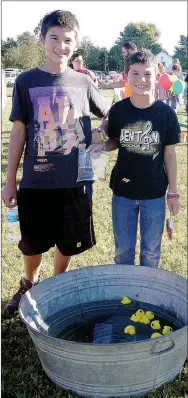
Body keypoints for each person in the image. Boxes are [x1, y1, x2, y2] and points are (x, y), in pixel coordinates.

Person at [2, 9, 110, 317]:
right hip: (36, 181)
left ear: (76, 43)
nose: (61, 46)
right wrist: (10, 180)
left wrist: (104, 136)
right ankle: (29, 282)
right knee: (32, 243)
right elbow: (20, 131)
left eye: (67, 40)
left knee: (67, 242)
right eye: (54, 39)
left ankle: (56, 286)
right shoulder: (26, 81)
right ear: (42, 38)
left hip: (75, 183)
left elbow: (108, 114)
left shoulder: (84, 82)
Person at [89, 50, 180, 268]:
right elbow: (114, 140)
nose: (141, 80)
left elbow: (169, 154)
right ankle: (125, 297)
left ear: (157, 76)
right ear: (126, 76)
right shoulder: (118, 110)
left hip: (155, 194)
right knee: (123, 251)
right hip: (123, 194)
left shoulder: (166, 114)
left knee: (151, 252)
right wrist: (103, 144)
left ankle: (144, 295)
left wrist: (173, 192)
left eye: (147, 74)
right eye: (135, 73)